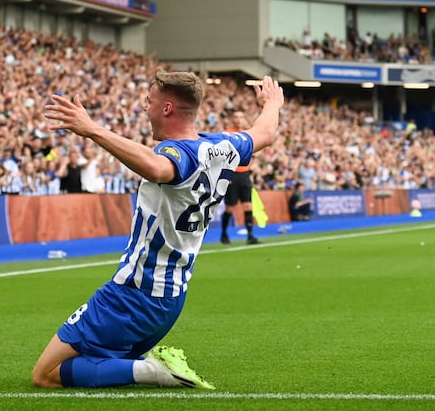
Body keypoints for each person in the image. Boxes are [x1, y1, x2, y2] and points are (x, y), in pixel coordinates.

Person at [32, 71, 284, 390]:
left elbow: (157, 168)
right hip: (173, 296)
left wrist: (92, 129)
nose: (144, 108)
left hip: (135, 294)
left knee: (46, 373)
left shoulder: (177, 155)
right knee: (97, 361)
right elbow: (264, 133)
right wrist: (271, 104)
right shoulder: (223, 147)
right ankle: (145, 367)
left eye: (149, 101)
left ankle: (153, 370)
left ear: (166, 109)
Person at [220, 110, 260, 245]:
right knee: (230, 208)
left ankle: (250, 236)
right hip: (232, 174)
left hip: (245, 174)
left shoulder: (247, 134)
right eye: (236, 117)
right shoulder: (227, 134)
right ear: (232, 119)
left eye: (241, 117)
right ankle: (224, 234)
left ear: (244, 119)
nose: (238, 119)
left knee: (248, 206)